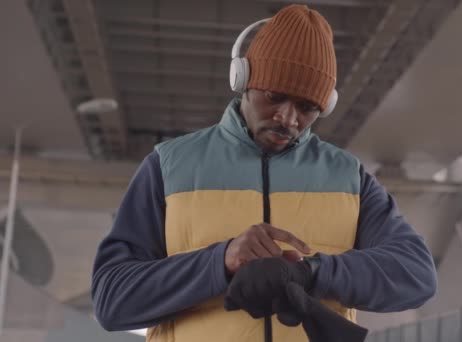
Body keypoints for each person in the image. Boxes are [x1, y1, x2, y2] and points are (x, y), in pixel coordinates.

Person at [91, 4, 437, 342]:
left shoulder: (349, 178)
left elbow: (416, 274)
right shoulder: (169, 167)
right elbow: (112, 298)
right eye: (274, 96)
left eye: (306, 107)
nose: (288, 118)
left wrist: (310, 272)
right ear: (243, 78)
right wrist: (221, 262)